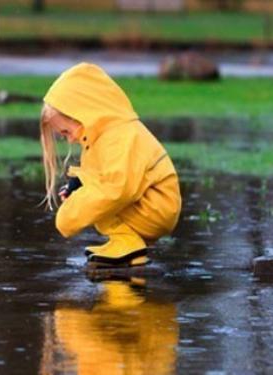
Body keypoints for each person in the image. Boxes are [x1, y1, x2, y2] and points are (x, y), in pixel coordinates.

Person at [40, 62, 181, 267]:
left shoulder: (121, 136)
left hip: (156, 209)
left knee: (100, 198)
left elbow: (118, 189)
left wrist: (69, 216)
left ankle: (129, 244)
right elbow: (101, 174)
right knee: (95, 195)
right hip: (148, 205)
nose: (70, 140)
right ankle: (125, 242)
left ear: (82, 114)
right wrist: (78, 185)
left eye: (66, 132)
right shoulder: (103, 136)